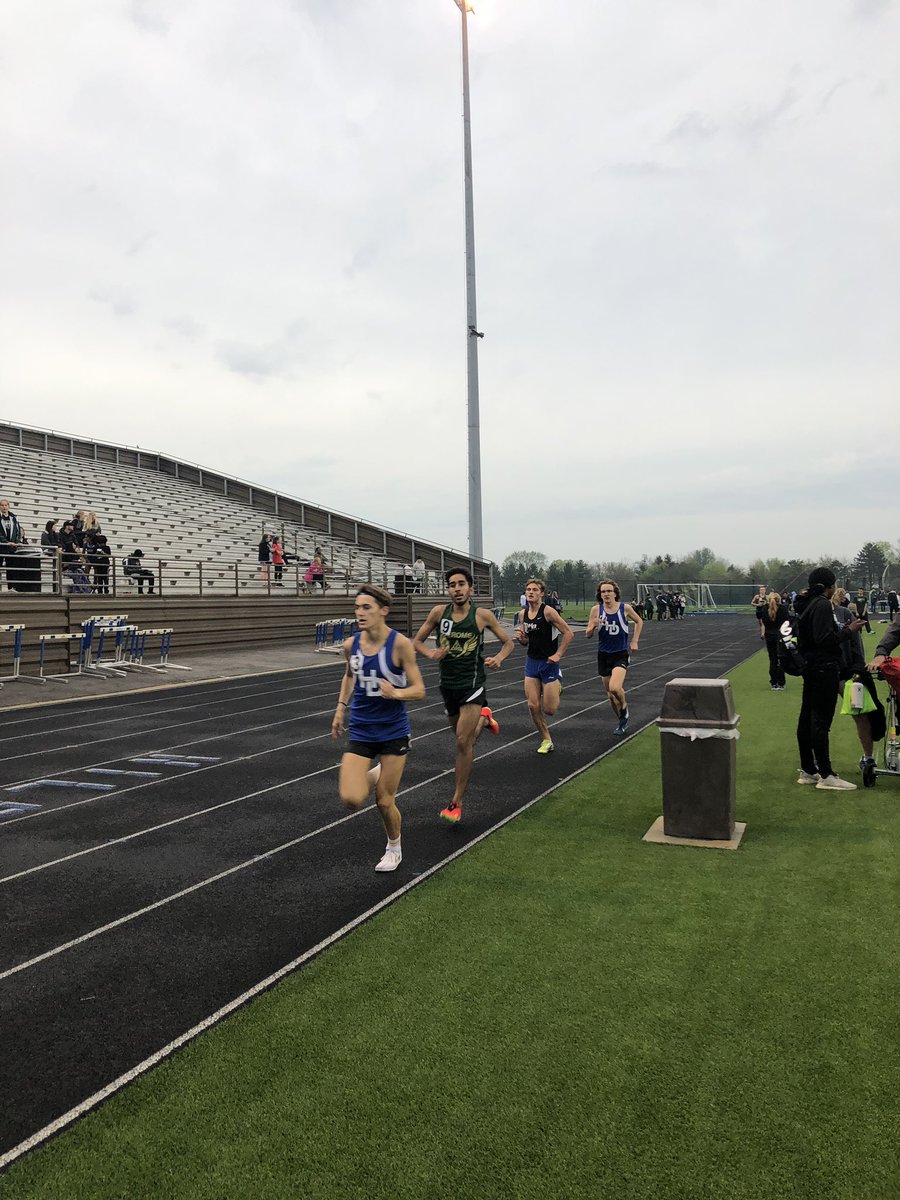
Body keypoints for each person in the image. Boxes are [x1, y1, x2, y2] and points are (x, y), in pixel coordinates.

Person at [332, 585, 426, 872]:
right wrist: (340, 708)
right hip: (362, 728)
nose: (360, 613)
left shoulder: (400, 645)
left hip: (393, 731)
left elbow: (419, 689)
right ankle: (377, 771)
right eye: (357, 607)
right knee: (351, 798)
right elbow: (349, 675)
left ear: (383, 610)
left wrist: (396, 693)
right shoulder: (351, 645)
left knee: (384, 801)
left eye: (366, 607)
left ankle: (394, 848)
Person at [413, 567, 514, 823]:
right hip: (448, 685)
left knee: (461, 742)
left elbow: (508, 642)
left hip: (472, 684)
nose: (456, 589)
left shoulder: (482, 615)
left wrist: (499, 658)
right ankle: (485, 717)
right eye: (452, 585)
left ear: (470, 588)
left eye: (461, 584)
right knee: (465, 739)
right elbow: (416, 641)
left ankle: (456, 802)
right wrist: (431, 653)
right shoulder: (439, 613)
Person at [794, 568, 866, 791]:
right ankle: (826, 774)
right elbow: (824, 639)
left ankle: (809, 769)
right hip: (824, 668)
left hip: (811, 667)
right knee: (820, 723)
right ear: (831, 586)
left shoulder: (806, 603)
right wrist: (849, 630)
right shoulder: (823, 605)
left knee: (807, 719)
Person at [515, 577, 574, 753]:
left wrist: (558, 654)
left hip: (549, 663)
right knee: (533, 705)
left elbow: (568, 633)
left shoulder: (548, 612)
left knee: (550, 710)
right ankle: (546, 740)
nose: (531, 592)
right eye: (528, 590)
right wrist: (522, 639)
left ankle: (557, 684)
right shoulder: (522, 614)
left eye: (535, 590)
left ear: (541, 593)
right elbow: (526, 641)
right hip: (532, 663)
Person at [833, 588, 885, 779]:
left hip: (846, 674)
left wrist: (857, 669)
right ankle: (815, 762)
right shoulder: (813, 612)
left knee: (860, 713)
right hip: (822, 674)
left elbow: (856, 644)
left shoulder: (844, 613)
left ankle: (868, 758)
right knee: (819, 718)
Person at [585, 580, 644, 735]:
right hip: (603, 655)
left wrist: (635, 640)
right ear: (600, 594)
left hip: (620, 654)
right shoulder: (596, 610)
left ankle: (624, 707)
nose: (606, 594)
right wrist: (593, 626)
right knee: (611, 696)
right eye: (603, 592)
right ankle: (622, 721)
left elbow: (639, 621)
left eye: (609, 591)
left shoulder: (625, 608)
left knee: (615, 688)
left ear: (615, 593)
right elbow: (588, 635)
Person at [756, 591, 791, 690]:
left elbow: (759, 617)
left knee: (772, 660)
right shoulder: (782, 609)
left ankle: (774, 682)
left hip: (769, 636)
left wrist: (760, 606)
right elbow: (787, 622)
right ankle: (781, 683)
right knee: (780, 659)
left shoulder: (764, 609)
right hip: (780, 636)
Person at [0, 499, 26, 588]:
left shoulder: (13, 518)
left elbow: (18, 531)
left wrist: (16, 542)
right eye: (2, 505)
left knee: (11, 569)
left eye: (5, 505)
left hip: (11, 548)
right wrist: (6, 542)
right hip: (1, 547)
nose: (4, 507)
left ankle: (11, 587)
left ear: (8, 506)